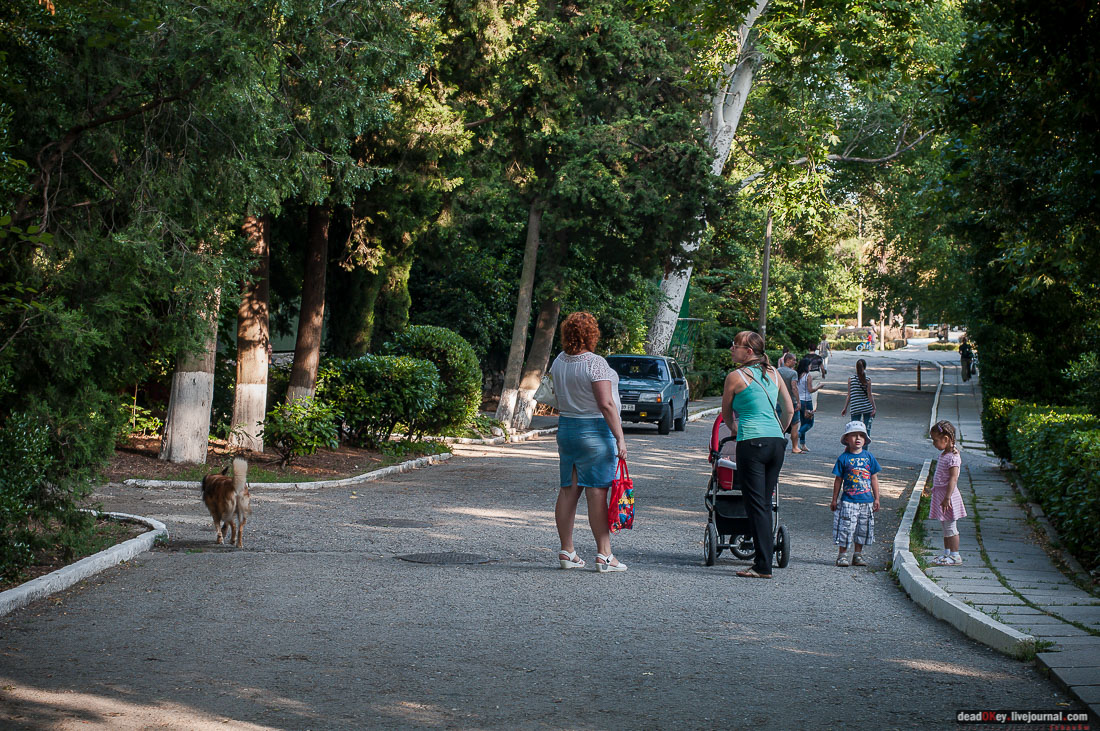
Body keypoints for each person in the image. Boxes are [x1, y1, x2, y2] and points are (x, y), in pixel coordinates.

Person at [550, 312, 629, 573]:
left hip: (567, 429)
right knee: (597, 492)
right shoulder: (595, 364)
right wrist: (620, 437)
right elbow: (606, 404)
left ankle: (567, 551)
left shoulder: (559, 361)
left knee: (568, 490)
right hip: (595, 431)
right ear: (591, 334)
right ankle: (605, 555)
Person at [721, 331, 795, 579]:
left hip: (751, 442)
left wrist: (735, 429)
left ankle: (763, 565)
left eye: (735, 346)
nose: (732, 349)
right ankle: (763, 560)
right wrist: (777, 431)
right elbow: (790, 409)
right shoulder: (774, 373)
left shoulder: (735, 377)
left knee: (757, 506)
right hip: (776, 443)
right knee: (764, 502)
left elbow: (727, 414)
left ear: (749, 352)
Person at [830, 421, 881, 567]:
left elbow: (874, 477)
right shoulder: (843, 458)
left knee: (862, 528)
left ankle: (858, 555)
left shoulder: (869, 457)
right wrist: (834, 499)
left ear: (865, 439)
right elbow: (838, 480)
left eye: (861, 436)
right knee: (846, 527)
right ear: (847, 439)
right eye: (853, 435)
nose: (857, 438)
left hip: (866, 500)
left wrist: (877, 498)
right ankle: (842, 555)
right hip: (848, 500)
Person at [929, 420, 967, 566]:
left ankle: (955, 555)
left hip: (948, 496)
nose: (934, 443)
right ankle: (947, 553)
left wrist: (947, 497)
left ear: (946, 439)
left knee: (951, 527)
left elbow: (953, 479)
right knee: (945, 526)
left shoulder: (953, 457)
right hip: (941, 495)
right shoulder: (945, 454)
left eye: (935, 440)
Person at [841, 358, 876, 435]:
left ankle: (856, 446)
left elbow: (849, 395)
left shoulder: (851, 379)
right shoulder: (868, 380)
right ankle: (864, 447)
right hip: (867, 407)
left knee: (854, 430)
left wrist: (845, 408)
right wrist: (874, 408)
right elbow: (870, 395)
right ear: (865, 367)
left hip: (855, 407)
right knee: (866, 430)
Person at [795, 356, 823, 452]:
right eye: (810, 365)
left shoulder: (798, 375)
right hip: (807, 401)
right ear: (807, 366)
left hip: (799, 400)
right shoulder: (808, 376)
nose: (810, 367)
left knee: (803, 422)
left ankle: (802, 444)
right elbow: (810, 390)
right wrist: (819, 386)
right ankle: (798, 434)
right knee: (810, 423)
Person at [777, 353, 801, 452]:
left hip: (779, 401)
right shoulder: (793, 373)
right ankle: (795, 447)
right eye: (794, 360)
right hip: (792, 401)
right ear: (788, 360)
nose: (795, 362)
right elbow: (794, 387)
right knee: (795, 424)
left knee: (780, 424)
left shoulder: (777, 371)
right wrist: (798, 401)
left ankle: (778, 446)